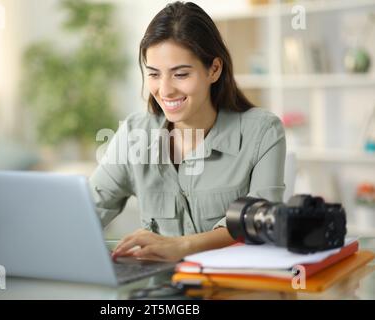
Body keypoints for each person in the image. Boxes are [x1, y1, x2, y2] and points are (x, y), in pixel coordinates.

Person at [89, 1, 286, 262]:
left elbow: (262, 221)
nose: (165, 90)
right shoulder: (134, 134)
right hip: (160, 292)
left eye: (180, 74)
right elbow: (86, 213)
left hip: (235, 287)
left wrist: (183, 246)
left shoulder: (262, 132)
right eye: (154, 74)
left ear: (214, 69)